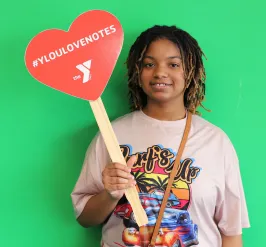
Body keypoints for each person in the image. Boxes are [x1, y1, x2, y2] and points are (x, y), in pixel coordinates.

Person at [71, 25, 250, 247]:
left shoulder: (215, 141)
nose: (160, 73)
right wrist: (110, 194)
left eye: (173, 64)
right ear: (138, 71)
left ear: (191, 72)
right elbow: (85, 218)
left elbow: (231, 232)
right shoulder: (111, 134)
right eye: (149, 64)